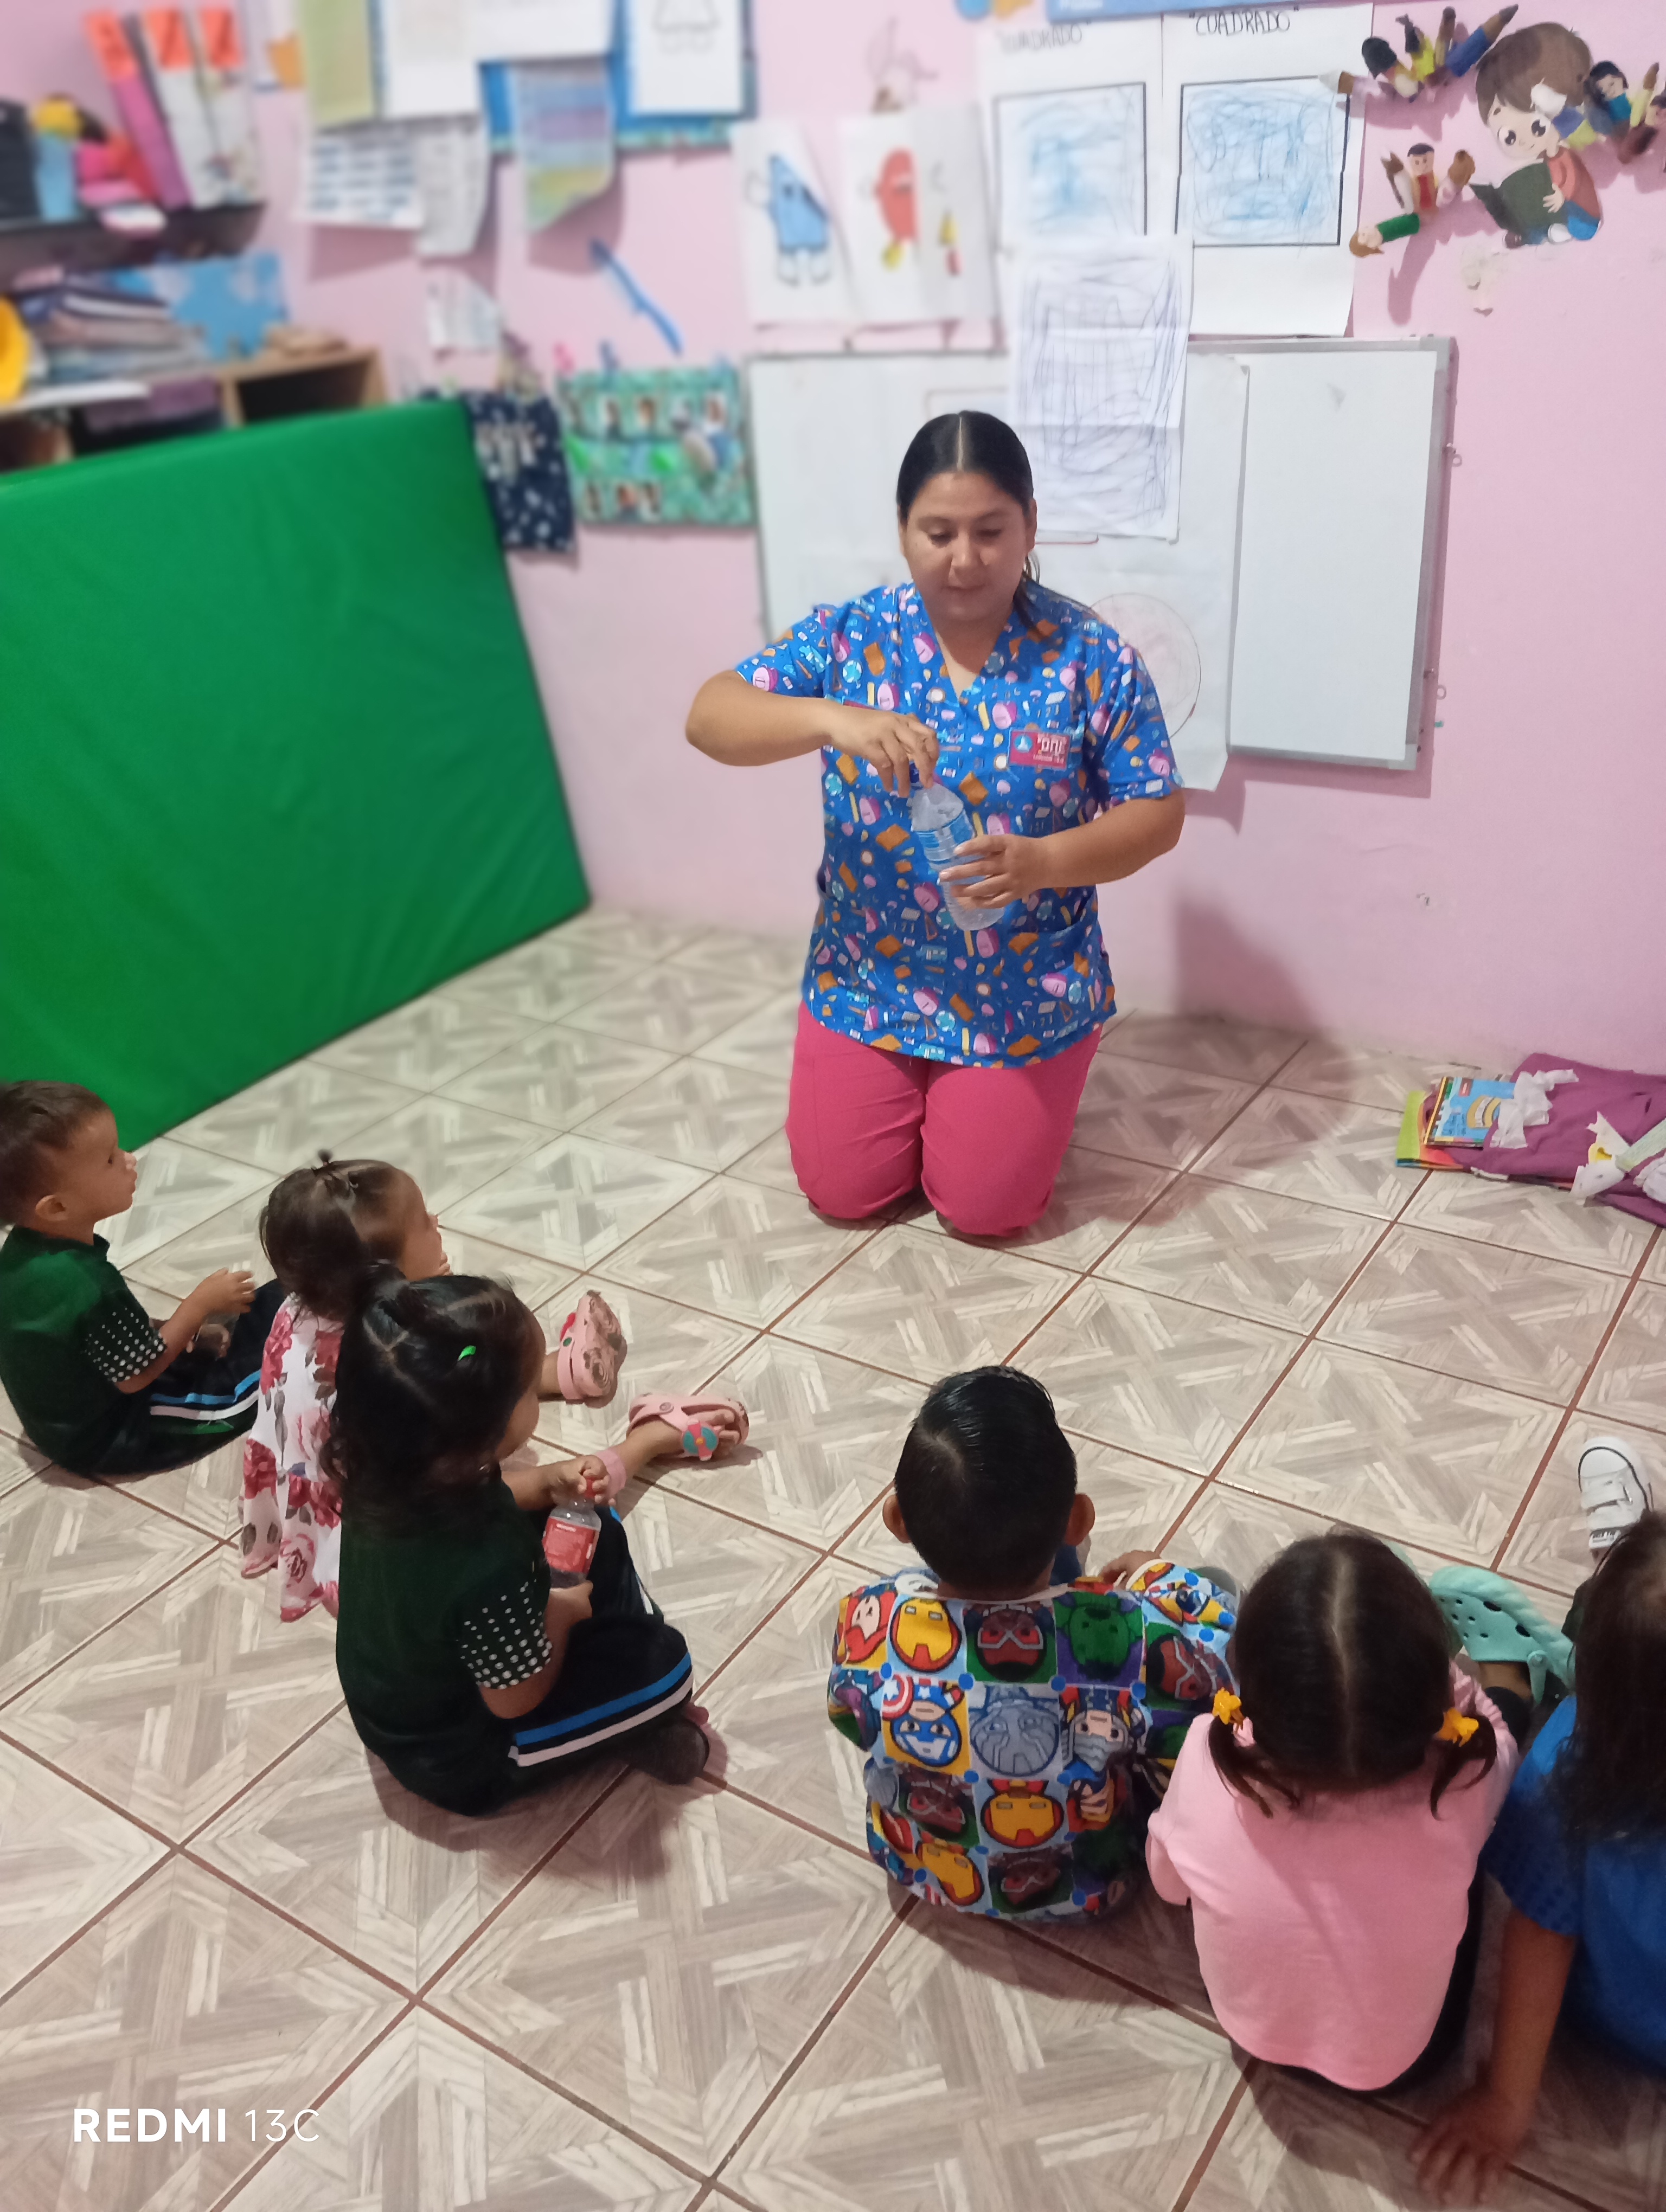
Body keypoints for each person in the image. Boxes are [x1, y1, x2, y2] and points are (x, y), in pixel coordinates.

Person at [685, 411, 1184, 1238]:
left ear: (1030, 524)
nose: (964, 559)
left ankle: (1007, 1095)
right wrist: (831, 719)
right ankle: (915, 1087)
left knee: (986, 1210)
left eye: (990, 531)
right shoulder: (853, 638)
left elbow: (1158, 811)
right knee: (843, 1192)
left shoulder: (1089, 657)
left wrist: (1043, 863)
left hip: (1022, 993)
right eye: (938, 532)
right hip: (868, 978)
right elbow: (710, 716)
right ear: (902, 530)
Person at [328, 1270, 745, 1814]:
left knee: (593, 1525)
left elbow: (493, 1494)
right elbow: (514, 1699)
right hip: (466, 1753)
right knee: (666, 1671)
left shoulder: (390, 1470)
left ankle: (612, 1683)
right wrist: (562, 1614)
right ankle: (629, 1721)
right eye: (531, 1389)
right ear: (485, 1433)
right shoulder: (485, 1566)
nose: (538, 1395)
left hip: (405, 1696)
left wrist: (549, 1483)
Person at [826, 1367, 1236, 1920]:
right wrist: (1160, 1577)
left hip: (922, 1868)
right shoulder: (1125, 1633)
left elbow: (848, 1717)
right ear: (1079, 1520)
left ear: (898, 1521)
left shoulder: (866, 1622)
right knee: (1188, 1663)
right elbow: (1214, 1679)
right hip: (1090, 1889)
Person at [1145, 1531, 1521, 2094]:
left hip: (1253, 2031)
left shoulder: (1207, 1752)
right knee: (1492, 1756)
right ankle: (1514, 1681)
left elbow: (1168, 1886)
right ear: (1431, 1707)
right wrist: (1455, 1684)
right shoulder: (1463, 1784)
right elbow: (1500, 1749)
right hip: (1407, 2066)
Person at [245, 1153, 627, 1620]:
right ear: (383, 1276)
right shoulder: (388, 1373)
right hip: (381, 1527)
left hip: (332, 1474)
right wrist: (549, 1480)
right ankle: (616, 1415)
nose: (437, 1221)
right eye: (424, 1221)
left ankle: (558, 1370)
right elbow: (445, 1488)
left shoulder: (304, 1307)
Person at [1415, 1512, 1664, 2207]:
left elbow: (1539, 1939)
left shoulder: (1560, 1779)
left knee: (1503, 1729)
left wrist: (1507, 2104)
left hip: (1610, 2023)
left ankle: (1529, 1676)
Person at [0, 1079, 281, 1476]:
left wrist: (177, 1328)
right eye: (110, 1160)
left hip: (72, 1416)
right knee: (267, 1374)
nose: (130, 1159)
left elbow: (93, 1335)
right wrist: (196, 1307)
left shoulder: (22, 1253)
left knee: (256, 1314)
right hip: (113, 1433)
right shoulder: (85, 1284)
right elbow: (135, 1376)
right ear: (57, 1208)